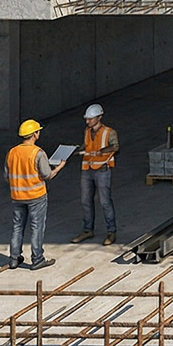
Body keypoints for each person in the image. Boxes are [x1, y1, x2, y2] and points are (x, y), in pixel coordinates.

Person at [6, 119, 63, 270]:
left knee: (17, 226)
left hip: (17, 196)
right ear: (35, 134)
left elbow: (7, 175)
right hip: (36, 196)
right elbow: (47, 175)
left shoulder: (12, 152)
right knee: (36, 227)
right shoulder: (38, 153)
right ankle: (37, 259)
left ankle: (13, 258)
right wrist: (59, 167)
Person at [72, 103, 119, 245]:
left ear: (99, 117)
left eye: (90, 119)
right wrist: (75, 150)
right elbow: (85, 146)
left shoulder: (109, 132)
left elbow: (115, 146)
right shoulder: (87, 131)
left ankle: (111, 232)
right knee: (86, 201)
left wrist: (100, 152)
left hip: (102, 170)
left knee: (105, 202)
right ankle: (87, 230)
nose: (87, 122)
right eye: (87, 119)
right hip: (87, 170)